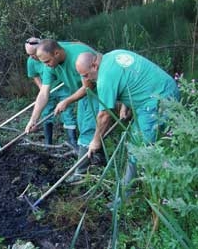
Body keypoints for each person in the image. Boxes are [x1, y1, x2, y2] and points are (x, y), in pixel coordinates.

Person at [75, 49, 180, 196]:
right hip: (167, 86)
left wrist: (96, 141)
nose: (86, 80)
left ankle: (129, 193)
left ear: (94, 66)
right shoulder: (114, 55)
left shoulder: (104, 78)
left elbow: (104, 115)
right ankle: (147, 177)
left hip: (157, 101)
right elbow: (131, 77)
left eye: (86, 75)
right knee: (147, 140)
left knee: (138, 147)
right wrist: (126, 105)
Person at [25, 39, 103, 177]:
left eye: (47, 61)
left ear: (56, 53)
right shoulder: (49, 65)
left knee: (87, 129)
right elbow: (44, 93)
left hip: (99, 91)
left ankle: (80, 172)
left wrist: (66, 101)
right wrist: (33, 119)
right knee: (82, 125)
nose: (46, 66)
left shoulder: (77, 57)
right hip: (83, 94)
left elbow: (88, 87)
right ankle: (99, 159)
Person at [25, 37, 77, 146]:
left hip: (63, 87)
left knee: (67, 112)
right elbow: (34, 76)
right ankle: (48, 143)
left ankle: (73, 142)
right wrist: (41, 89)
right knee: (46, 112)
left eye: (34, 54)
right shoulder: (32, 61)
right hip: (47, 89)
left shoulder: (53, 52)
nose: (33, 57)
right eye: (29, 55)